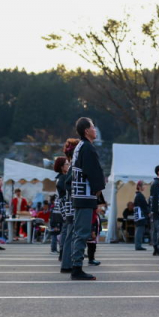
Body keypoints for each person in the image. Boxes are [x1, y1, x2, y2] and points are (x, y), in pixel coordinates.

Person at [68, 117, 106, 281]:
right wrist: (98, 192)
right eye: (93, 127)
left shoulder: (79, 147)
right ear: (86, 131)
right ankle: (76, 268)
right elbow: (94, 172)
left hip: (79, 195)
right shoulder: (87, 148)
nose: (95, 129)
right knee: (82, 233)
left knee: (79, 232)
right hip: (85, 196)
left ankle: (75, 265)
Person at [56, 152, 73, 271]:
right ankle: (63, 253)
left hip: (65, 205)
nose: (68, 166)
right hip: (66, 205)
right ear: (62, 167)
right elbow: (66, 192)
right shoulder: (62, 179)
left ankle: (63, 253)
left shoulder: (61, 177)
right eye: (67, 164)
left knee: (66, 228)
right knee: (67, 229)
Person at [133, 181, 150, 251]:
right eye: (143, 185)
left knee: (139, 230)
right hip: (141, 215)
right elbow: (144, 206)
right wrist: (148, 212)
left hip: (139, 215)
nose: (144, 187)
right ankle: (138, 245)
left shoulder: (137, 195)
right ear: (139, 187)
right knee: (140, 230)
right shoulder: (139, 195)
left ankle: (138, 245)